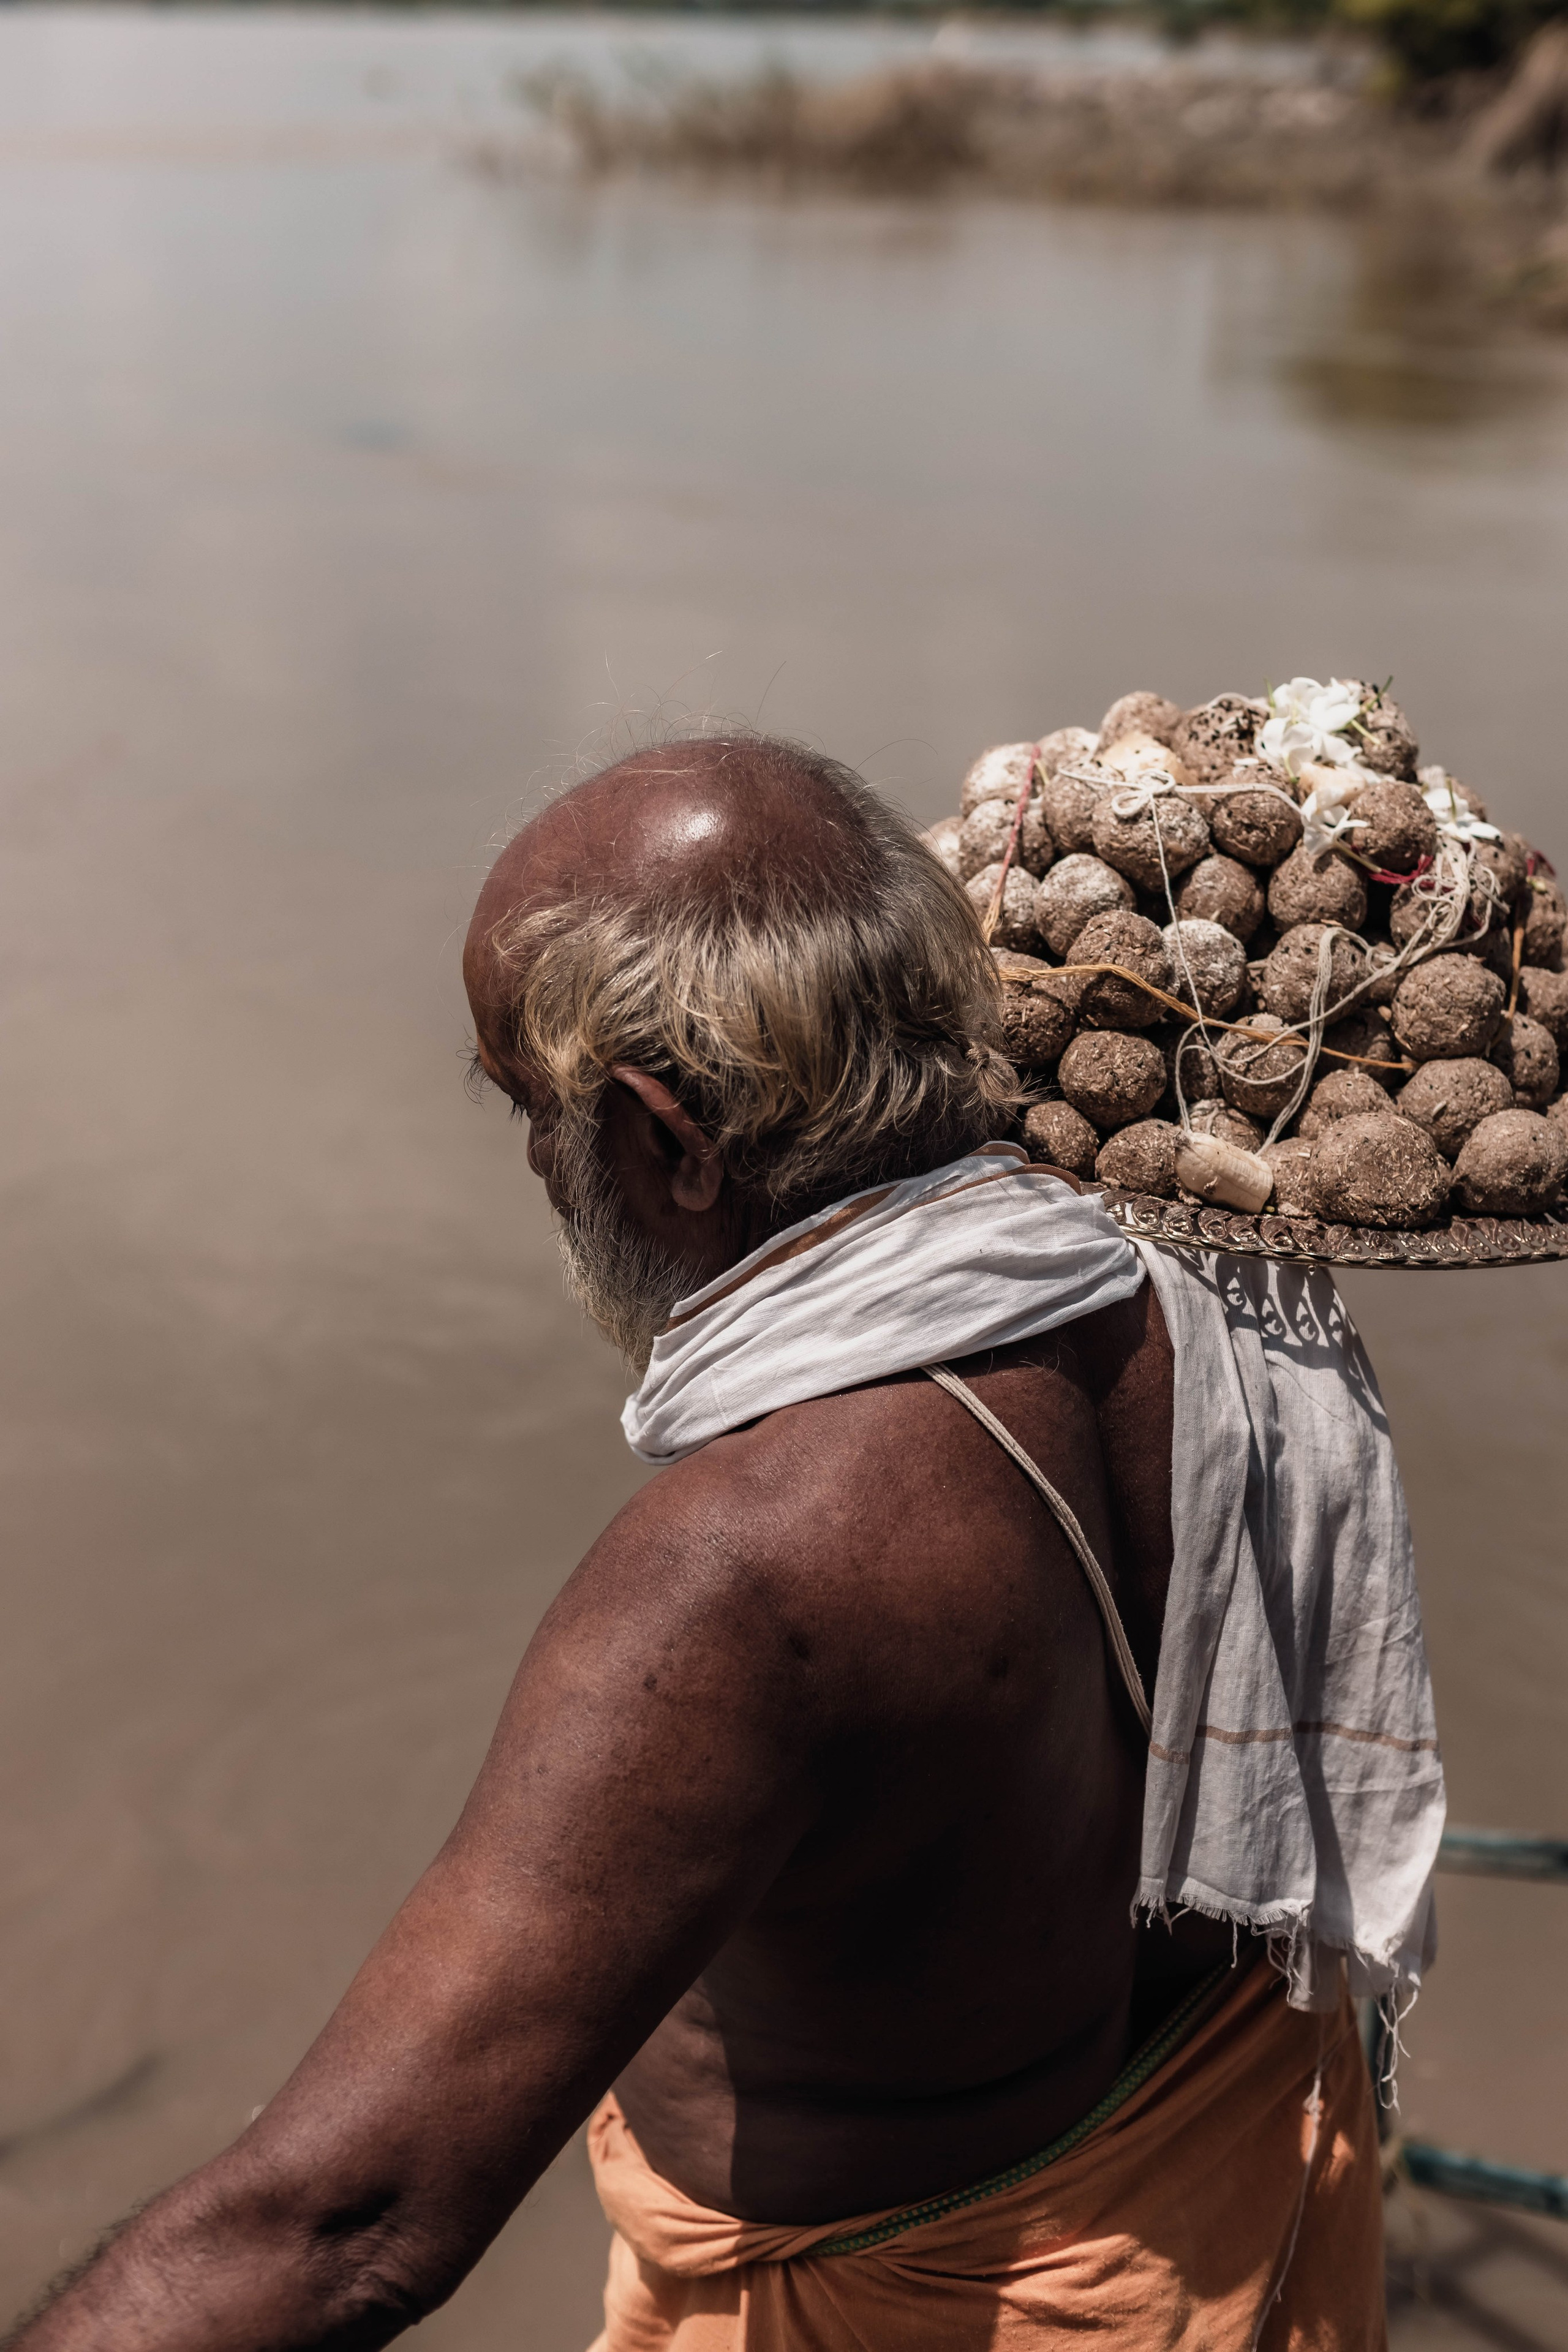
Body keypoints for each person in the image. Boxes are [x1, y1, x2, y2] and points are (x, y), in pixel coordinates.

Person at [6, 733, 1443, 2352]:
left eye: (530, 1113)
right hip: (1232, 2195)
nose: (541, 1166)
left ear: (665, 1137)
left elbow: (347, 2227)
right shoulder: (1212, 1295)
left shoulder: (749, 1569)